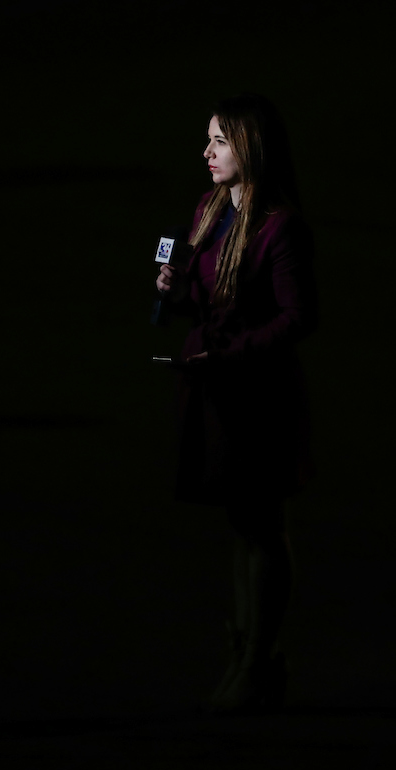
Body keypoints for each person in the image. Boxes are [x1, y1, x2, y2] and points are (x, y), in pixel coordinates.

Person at [156, 93, 317, 713]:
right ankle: (247, 658)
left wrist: (233, 353)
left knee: (262, 525)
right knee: (242, 525)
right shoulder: (208, 210)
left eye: (219, 141)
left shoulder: (281, 226)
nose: (207, 152)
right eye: (208, 139)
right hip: (215, 387)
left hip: (255, 393)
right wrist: (172, 294)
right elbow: (209, 301)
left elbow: (300, 316)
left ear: (249, 147)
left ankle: (258, 664)